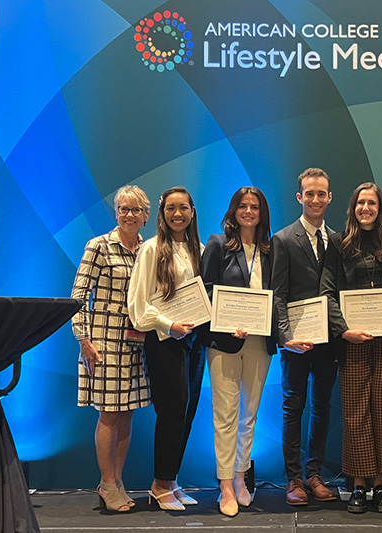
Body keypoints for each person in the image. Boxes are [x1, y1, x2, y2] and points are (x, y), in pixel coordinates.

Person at [319, 182, 382, 514]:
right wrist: (344, 330)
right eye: (360, 203)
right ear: (352, 207)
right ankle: (358, 484)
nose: (365, 208)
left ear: (380, 208)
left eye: (372, 203)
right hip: (351, 342)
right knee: (354, 413)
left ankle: (380, 484)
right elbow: (327, 292)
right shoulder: (338, 244)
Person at [71, 185, 151, 513]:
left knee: (127, 412)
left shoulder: (148, 249)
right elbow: (79, 294)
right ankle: (105, 482)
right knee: (109, 413)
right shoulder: (99, 246)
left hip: (136, 343)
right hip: (103, 343)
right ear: (115, 212)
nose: (129, 215)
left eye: (136, 210)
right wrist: (84, 339)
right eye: (123, 209)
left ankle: (117, 481)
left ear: (146, 216)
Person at [128, 186, 205, 511]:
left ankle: (171, 480)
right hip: (164, 342)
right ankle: (159, 484)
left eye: (184, 208)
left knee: (186, 414)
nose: (178, 214)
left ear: (192, 212)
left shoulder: (199, 249)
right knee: (171, 413)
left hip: (194, 341)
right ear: (161, 213)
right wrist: (167, 325)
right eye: (171, 208)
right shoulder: (150, 249)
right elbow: (137, 304)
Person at [201, 187, 276, 517]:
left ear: (262, 213)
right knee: (225, 416)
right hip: (224, 343)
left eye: (255, 207)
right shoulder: (217, 244)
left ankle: (241, 477)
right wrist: (227, 321)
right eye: (243, 206)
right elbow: (205, 290)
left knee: (249, 416)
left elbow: (278, 295)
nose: (249, 211)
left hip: (261, 342)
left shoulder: (271, 249)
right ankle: (225, 485)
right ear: (233, 211)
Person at [271, 167, 339, 506]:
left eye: (321, 193)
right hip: (296, 341)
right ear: (299, 197)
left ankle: (315, 475)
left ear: (329, 197)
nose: (315, 199)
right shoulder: (283, 239)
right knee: (292, 407)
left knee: (322, 407)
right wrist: (285, 337)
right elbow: (278, 295)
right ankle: (293, 479)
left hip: (329, 341)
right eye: (308, 193)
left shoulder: (339, 240)